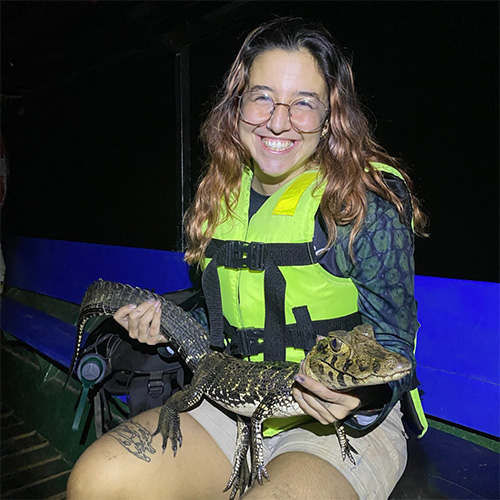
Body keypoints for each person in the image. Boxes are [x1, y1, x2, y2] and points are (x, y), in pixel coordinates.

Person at [66, 16, 428, 500]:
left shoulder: (362, 205)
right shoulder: (219, 195)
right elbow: (227, 315)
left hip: (341, 425)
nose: (279, 122)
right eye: (262, 97)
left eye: (304, 103)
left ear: (330, 116)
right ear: (236, 106)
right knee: (96, 481)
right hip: (235, 399)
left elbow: (395, 349)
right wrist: (160, 334)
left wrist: (357, 400)